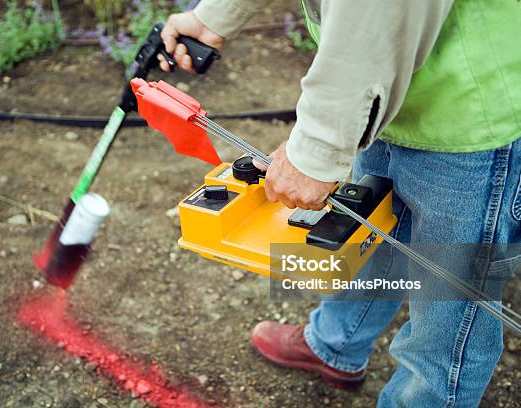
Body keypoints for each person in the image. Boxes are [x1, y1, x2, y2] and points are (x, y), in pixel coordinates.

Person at [160, 1, 521, 406]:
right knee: (366, 236)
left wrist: (318, 148)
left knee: (449, 313)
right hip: (387, 95)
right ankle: (335, 345)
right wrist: (215, 15)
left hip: (468, 113)